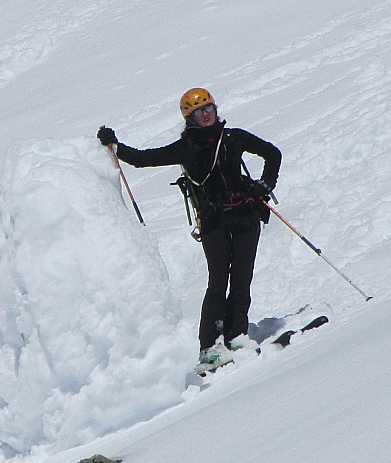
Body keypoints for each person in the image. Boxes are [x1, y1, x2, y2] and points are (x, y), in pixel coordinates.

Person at [97, 88, 282, 363]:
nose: (206, 114)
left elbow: (273, 154)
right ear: (189, 117)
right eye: (198, 111)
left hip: (245, 214)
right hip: (213, 220)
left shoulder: (233, 138)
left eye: (209, 108)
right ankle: (209, 347)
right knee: (218, 281)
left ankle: (236, 336)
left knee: (242, 279)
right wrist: (115, 146)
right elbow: (143, 159)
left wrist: (264, 186)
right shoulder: (186, 147)